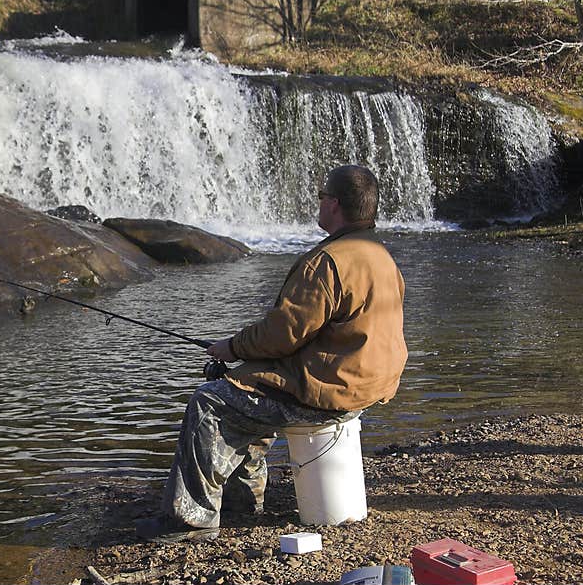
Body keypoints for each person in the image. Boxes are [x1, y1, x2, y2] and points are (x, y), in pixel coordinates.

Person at [135, 164, 408, 543]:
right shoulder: (381, 257)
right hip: (367, 385)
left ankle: (190, 521)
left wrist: (229, 347)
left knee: (210, 401)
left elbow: (282, 335)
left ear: (333, 204)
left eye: (320, 196)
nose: (318, 202)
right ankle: (244, 502)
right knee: (250, 381)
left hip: (328, 394)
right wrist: (246, 362)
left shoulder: (328, 262)